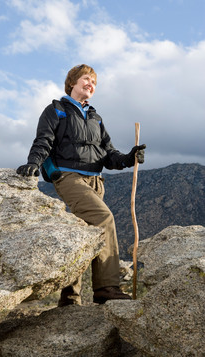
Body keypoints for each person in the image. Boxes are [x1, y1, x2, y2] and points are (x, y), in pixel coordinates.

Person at [17, 64, 146, 305]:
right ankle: (106, 288)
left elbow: (109, 155)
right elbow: (43, 141)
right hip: (69, 178)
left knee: (84, 236)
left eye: (94, 82)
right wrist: (33, 162)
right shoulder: (56, 110)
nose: (91, 84)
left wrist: (129, 157)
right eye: (86, 79)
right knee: (104, 218)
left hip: (96, 182)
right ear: (72, 83)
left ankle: (69, 298)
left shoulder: (96, 118)